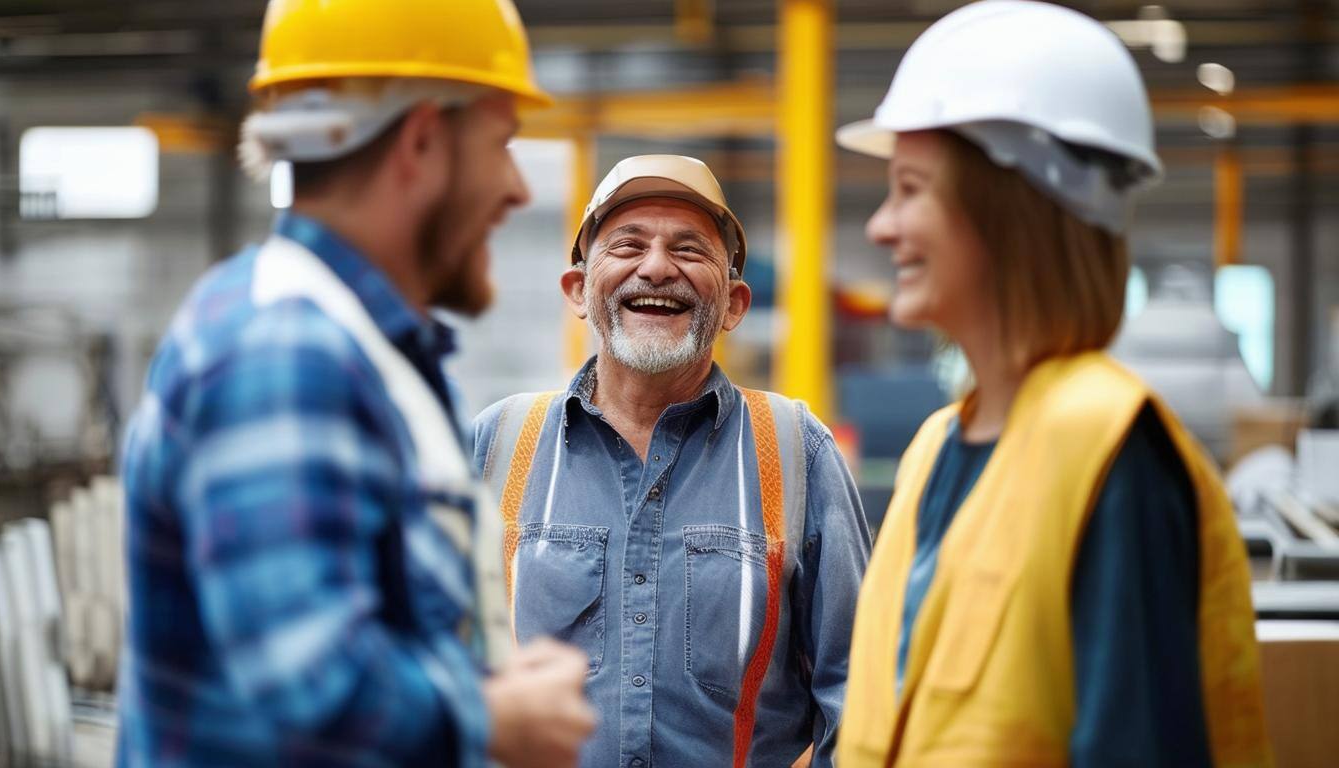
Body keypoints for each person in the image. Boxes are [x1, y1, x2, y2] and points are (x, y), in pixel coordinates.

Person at [116, 1, 594, 766]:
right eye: (502, 143)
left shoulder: (368, 351)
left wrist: (482, 680)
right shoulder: (281, 351)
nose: (516, 188)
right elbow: (311, 684)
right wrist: (492, 715)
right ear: (422, 140)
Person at [834, 2, 1271, 767]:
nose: (880, 226)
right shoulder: (937, 447)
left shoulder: (1105, 449)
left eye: (910, 188)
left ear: (1011, 210)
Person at [473, 154, 870, 768]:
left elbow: (858, 698)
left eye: (689, 250)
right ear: (578, 290)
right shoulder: (497, 443)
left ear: (735, 304)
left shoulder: (797, 451)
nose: (656, 268)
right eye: (628, 245)